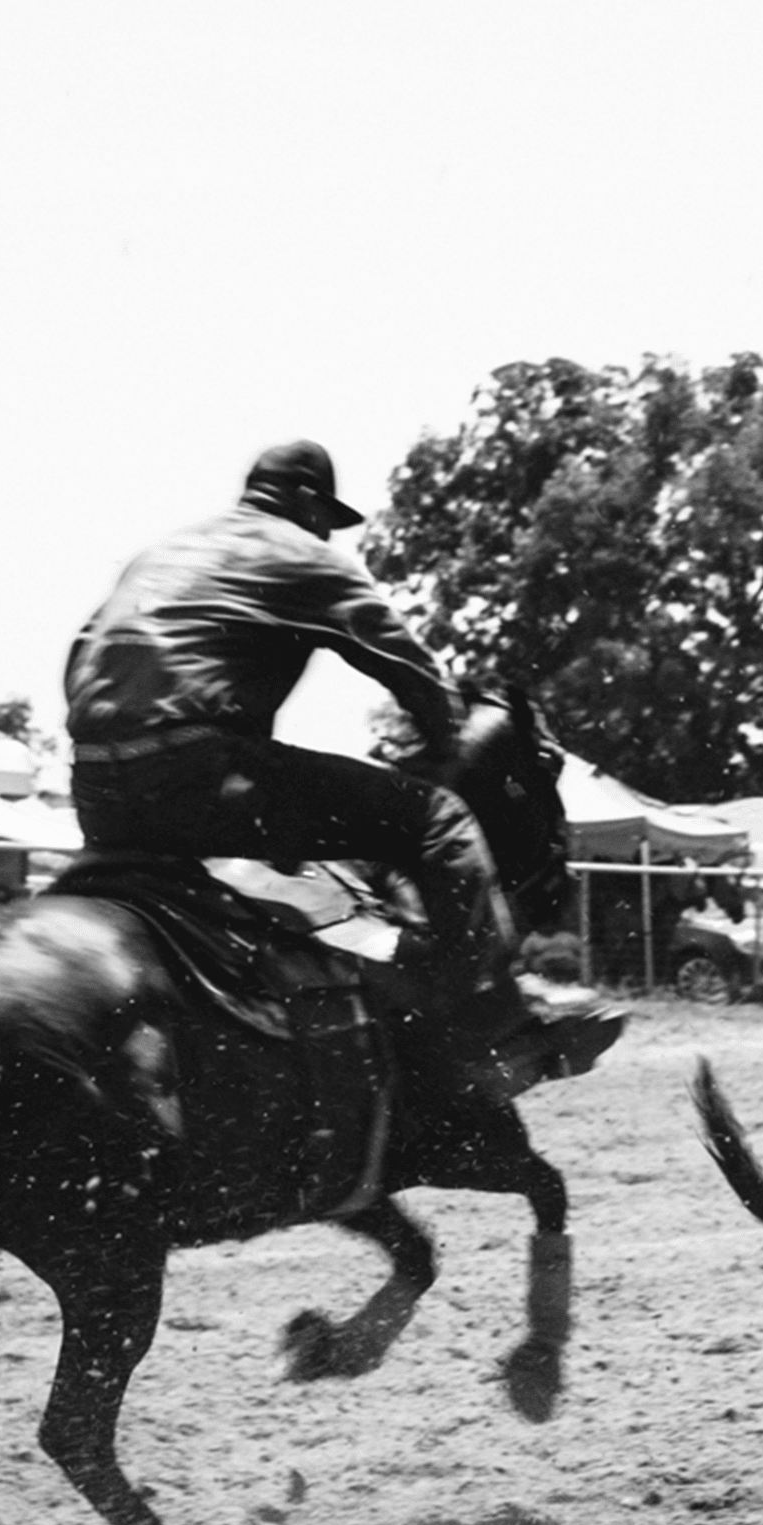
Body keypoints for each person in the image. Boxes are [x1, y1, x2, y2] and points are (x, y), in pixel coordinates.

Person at [64, 439, 622, 1104]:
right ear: (304, 500)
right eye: (325, 513)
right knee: (438, 819)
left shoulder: (161, 553)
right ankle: (496, 1023)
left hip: (96, 787)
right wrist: (449, 734)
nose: (327, 528)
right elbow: (401, 659)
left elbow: (82, 659)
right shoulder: (301, 552)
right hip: (198, 771)